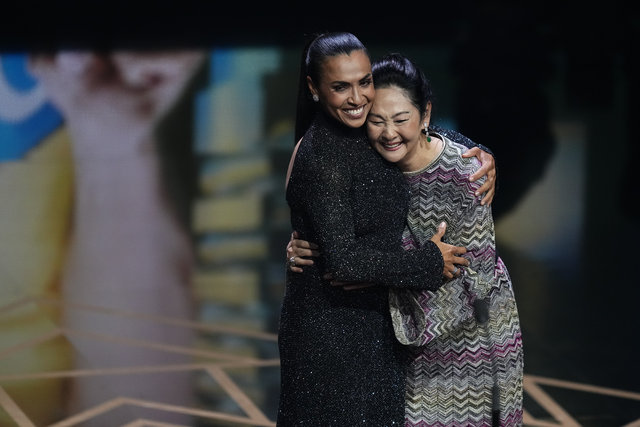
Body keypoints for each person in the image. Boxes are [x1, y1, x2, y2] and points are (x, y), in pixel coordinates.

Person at [289, 53, 524, 426]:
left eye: (401, 119)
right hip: (401, 349)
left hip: (470, 346)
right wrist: (302, 243)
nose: (388, 133)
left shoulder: (466, 173)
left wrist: (377, 281)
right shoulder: (367, 164)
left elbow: (475, 279)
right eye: (376, 120)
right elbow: (338, 233)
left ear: (424, 114)